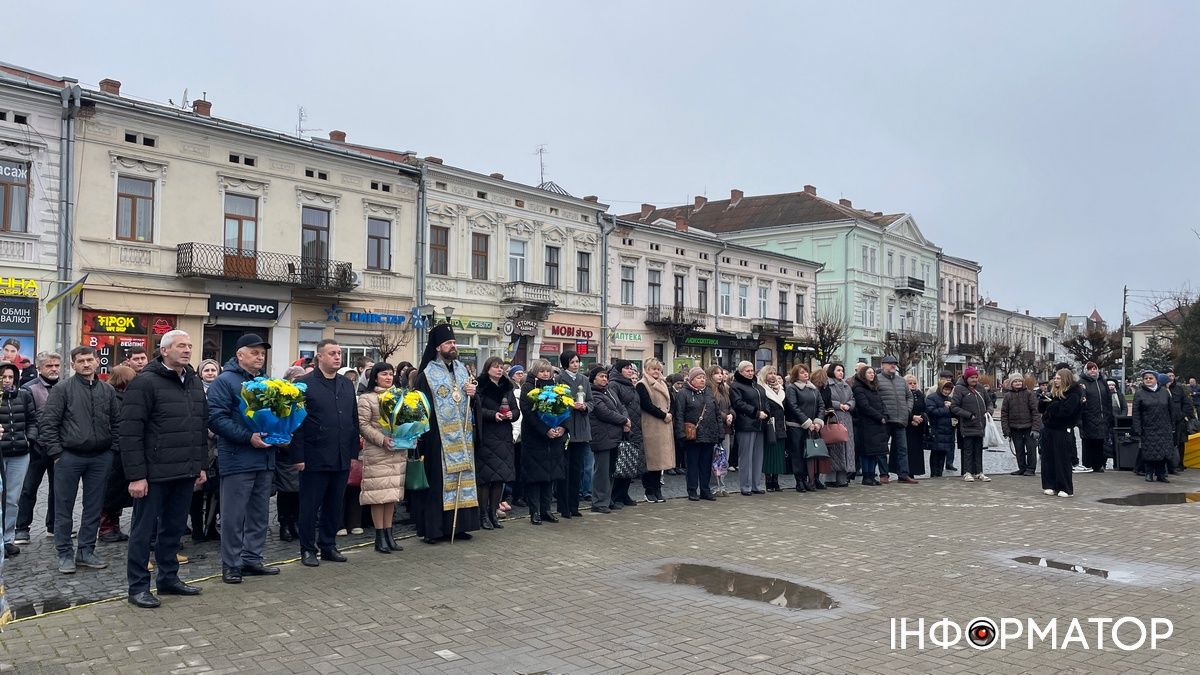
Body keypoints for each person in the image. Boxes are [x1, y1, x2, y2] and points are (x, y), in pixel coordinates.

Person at [121, 331, 209, 608]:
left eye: (190, 346)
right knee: (143, 532)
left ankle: (169, 579)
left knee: (173, 529)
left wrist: (200, 465)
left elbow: (199, 425)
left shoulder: (193, 381)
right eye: (181, 346)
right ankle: (138, 587)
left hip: (184, 470)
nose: (187, 350)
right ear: (164, 350)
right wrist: (136, 476)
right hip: (153, 473)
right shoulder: (145, 382)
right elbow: (130, 432)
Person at [207, 334, 280, 583]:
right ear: (240, 354)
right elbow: (216, 419)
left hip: (265, 456)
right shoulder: (224, 381)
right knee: (233, 516)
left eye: (262, 353)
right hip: (238, 458)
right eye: (254, 352)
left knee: (259, 514)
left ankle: (252, 558)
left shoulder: (267, 382)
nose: (260, 357)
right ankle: (231, 564)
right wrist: (248, 437)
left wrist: (282, 433)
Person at [41, 347, 119, 574]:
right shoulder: (62, 389)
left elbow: (117, 422)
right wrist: (57, 454)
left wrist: (112, 450)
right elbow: (48, 423)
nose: (86, 364)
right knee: (63, 507)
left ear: (97, 362)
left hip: (100, 457)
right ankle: (64, 553)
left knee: (94, 507)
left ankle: (86, 551)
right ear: (72, 365)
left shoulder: (107, 390)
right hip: (69, 456)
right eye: (81, 361)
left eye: (89, 359)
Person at [291, 339, 359, 564]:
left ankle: (328, 545)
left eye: (339, 353)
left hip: (341, 455)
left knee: (334, 504)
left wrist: (352, 453)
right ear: (319, 356)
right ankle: (307, 549)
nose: (338, 357)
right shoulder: (304, 384)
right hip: (314, 456)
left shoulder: (346, 384)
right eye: (332, 353)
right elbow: (296, 423)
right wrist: (298, 456)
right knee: (310, 506)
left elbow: (353, 419)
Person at [411, 325, 481, 543]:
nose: (453, 346)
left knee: (463, 478)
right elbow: (421, 408)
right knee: (437, 484)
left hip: (464, 437)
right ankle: (434, 530)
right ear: (438, 347)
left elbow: (470, 401)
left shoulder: (462, 370)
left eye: (454, 342)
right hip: (438, 440)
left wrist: (473, 394)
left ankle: (460, 526)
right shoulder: (427, 375)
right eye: (449, 343)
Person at [356, 362, 407, 553]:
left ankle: (389, 533)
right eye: (384, 374)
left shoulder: (399, 396)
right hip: (378, 451)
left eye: (391, 374)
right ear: (375, 377)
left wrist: (410, 434)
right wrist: (381, 439)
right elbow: (363, 425)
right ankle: (379, 536)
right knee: (378, 495)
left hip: (397, 450)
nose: (388, 377)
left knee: (391, 494)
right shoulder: (367, 398)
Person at [14, 352, 61, 545]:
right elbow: (27, 418)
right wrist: (31, 441)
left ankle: (54, 526)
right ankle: (21, 529)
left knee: (58, 489)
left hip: (59, 446)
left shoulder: (65, 386)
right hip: (37, 447)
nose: (54, 369)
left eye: (56, 365)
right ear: (39, 368)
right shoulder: (29, 388)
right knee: (28, 489)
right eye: (49, 366)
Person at [519, 360, 565, 524]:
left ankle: (546, 510)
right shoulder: (528, 387)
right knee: (535, 476)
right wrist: (545, 429)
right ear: (535, 372)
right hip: (535, 437)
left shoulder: (556, 387)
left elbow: (565, 409)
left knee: (550, 475)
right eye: (542, 371)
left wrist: (562, 427)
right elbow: (528, 412)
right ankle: (535, 511)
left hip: (554, 439)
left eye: (548, 371)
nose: (546, 374)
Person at [475, 357, 519, 529]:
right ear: (487, 369)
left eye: (501, 367)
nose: (499, 370)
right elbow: (477, 409)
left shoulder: (507, 387)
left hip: (504, 436)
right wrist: (492, 415)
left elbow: (515, 409)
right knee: (486, 478)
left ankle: (493, 513)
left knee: (500, 478)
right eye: (495, 367)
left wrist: (512, 415)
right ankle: (483, 515)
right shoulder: (480, 386)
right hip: (487, 435)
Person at [0, 362, 37, 557]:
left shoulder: (24, 395)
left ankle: (7, 539)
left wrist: (29, 439)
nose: (7, 381)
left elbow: (33, 421)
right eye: (3, 377)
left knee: (12, 499)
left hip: (20, 454)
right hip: (1, 453)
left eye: (10, 377)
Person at [98, 365, 137, 545]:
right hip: (114, 452)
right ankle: (106, 528)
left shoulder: (117, 396)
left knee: (116, 493)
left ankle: (112, 527)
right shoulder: (114, 398)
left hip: (118, 452)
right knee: (111, 493)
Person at [673, 367, 719, 501]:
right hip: (692, 435)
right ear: (692, 379)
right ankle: (692, 490)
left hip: (709, 435)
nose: (702, 380)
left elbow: (716, 413)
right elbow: (679, 414)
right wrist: (680, 433)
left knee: (706, 465)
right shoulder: (683, 393)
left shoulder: (709, 392)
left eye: (703, 377)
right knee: (692, 464)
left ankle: (705, 489)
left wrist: (719, 432)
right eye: (699, 378)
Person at [555, 351, 591, 518]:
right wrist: (570, 405)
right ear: (565, 364)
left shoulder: (584, 379)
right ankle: (564, 507)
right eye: (572, 362)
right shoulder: (559, 379)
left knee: (578, 469)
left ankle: (574, 506)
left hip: (581, 428)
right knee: (565, 469)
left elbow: (591, 401)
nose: (576, 365)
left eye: (577, 362)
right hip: (566, 426)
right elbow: (556, 402)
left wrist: (585, 407)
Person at [188, 359, 221, 542]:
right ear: (200, 373)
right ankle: (197, 528)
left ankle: (211, 527)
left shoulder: (222, 389)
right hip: (201, 445)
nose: (210, 373)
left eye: (213, 370)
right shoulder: (195, 390)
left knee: (215, 489)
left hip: (218, 447)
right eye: (206, 370)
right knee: (197, 490)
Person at [588, 365, 627, 513]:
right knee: (602, 471)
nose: (605, 379)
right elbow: (604, 413)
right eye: (601, 376)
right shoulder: (593, 394)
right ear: (594, 379)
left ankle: (607, 499)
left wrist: (625, 419)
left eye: (606, 376)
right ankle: (599, 502)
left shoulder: (609, 391)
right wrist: (624, 420)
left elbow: (621, 407)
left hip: (614, 436)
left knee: (611, 470)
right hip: (602, 437)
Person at [636, 358, 674, 503]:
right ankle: (649, 490)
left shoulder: (663, 383)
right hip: (651, 425)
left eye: (658, 369)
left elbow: (671, 402)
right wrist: (663, 415)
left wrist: (669, 414)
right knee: (651, 460)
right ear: (646, 370)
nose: (656, 372)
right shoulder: (642, 384)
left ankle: (657, 489)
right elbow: (646, 405)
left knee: (660, 461)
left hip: (663, 425)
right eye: (653, 369)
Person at [876, 355, 918, 484]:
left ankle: (903, 474)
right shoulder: (877, 380)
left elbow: (909, 397)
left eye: (894, 363)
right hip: (885, 420)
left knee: (902, 449)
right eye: (890, 363)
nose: (893, 365)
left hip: (900, 419)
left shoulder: (901, 380)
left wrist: (907, 410)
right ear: (883, 365)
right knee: (882, 449)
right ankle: (884, 474)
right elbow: (874, 398)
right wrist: (881, 413)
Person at [1040, 368, 1082, 498]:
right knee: (1048, 457)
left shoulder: (1073, 394)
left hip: (1062, 429)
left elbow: (1066, 412)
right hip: (1049, 428)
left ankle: (1065, 487)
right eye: (1055, 378)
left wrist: (1053, 405)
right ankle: (1050, 484)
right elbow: (1042, 410)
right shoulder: (1054, 393)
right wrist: (1043, 402)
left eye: (1058, 378)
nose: (1055, 380)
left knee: (1062, 458)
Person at [274, 365, 304, 543]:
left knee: (300, 491)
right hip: (285, 452)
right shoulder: (281, 398)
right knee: (286, 491)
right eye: (296, 379)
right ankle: (284, 523)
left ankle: (296, 522)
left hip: (302, 450)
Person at [606, 360, 642, 509]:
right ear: (619, 370)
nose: (630, 371)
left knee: (630, 461)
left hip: (635, 426)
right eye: (626, 368)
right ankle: (615, 495)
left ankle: (624, 493)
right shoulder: (614, 384)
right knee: (620, 462)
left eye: (631, 368)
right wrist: (624, 422)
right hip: (622, 426)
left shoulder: (629, 384)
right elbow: (616, 405)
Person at [729, 360, 768, 496]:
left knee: (758, 457)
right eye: (747, 371)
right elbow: (738, 403)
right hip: (746, 424)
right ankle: (746, 486)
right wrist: (756, 413)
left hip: (759, 424)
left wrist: (766, 412)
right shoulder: (736, 386)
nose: (751, 373)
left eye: (752, 370)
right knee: (746, 457)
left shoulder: (757, 386)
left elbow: (765, 400)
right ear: (740, 372)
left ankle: (756, 485)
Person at [785, 364, 826, 490]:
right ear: (796, 375)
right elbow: (793, 406)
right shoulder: (792, 388)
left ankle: (811, 479)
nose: (806, 374)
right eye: (802, 372)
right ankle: (800, 481)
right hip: (797, 426)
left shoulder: (813, 389)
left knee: (811, 453)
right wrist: (807, 422)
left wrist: (818, 422)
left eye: (806, 372)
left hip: (813, 427)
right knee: (797, 453)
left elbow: (821, 405)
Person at [1132, 370, 1175, 483]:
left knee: (1163, 452)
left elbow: (1171, 410)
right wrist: (1137, 428)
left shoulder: (1164, 392)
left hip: (1164, 427)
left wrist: (1172, 425)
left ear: (1156, 379)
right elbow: (1136, 413)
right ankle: (1149, 473)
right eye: (1146, 378)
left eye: (1150, 378)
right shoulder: (1140, 393)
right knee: (1149, 452)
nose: (1148, 380)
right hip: (1148, 428)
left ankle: (1161, 474)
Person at [950, 367, 990, 482]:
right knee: (967, 450)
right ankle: (967, 472)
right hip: (967, 425)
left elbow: (989, 403)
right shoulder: (959, 389)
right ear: (966, 378)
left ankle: (979, 472)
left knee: (978, 449)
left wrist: (989, 412)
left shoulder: (980, 388)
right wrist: (968, 415)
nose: (974, 380)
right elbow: (954, 407)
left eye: (976, 377)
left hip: (980, 425)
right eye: (972, 377)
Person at [820, 364, 855, 489]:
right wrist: (838, 405)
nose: (841, 373)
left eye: (842, 370)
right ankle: (830, 478)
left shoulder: (846, 385)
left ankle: (842, 478)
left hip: (846, 418)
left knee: (846, 448)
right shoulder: (827, 384)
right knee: (834, 447)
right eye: (838, 370)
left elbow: (852, 399)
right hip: (833, 417)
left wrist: (849, 405)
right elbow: (825, 399)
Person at [851, 366, 888, 485]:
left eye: (873, 373)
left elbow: (881, 403)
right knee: (866, 452)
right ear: (863, 374)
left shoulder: (874, 388)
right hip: (866, 424)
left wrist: (885, 415)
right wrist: (879, 417)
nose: (872, 375)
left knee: (874, 452)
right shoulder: (858, 388)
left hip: (877, 424)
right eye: (869, 373)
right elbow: (864, 406)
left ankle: (872, 475)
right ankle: (866, 476)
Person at [1001, 375, 1041, 477]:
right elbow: (1004, 413)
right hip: (1015, 427)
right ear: (1011, 384)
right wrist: (1006, 429)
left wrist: (1036, 428)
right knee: (1019, 449)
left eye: (1019, 381)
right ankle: (1022, 468)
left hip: (1029, 427)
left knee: (1031, 449)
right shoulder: (1008, 396)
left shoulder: (1029, 394)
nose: (1018, 383)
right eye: (1015, 381)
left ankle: (1031, 469)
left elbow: (1035, 412)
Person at [1077, 362, 1113, 473]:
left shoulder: (1102, 382)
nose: (1093, 371)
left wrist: (1109, 414)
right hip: (1088, 418)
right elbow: (1080, 400)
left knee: (1100, 442)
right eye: (1090, 369)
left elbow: (1108, 399)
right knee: (1088, 442)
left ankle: (1098, 464)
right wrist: (1080, 419)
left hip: (1102, 417)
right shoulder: (1082, 383)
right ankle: (1088, 464)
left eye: (1094, 368)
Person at [757, 366, 788, 492]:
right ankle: (768, 481)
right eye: (770, 373)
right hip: (770, 424)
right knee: (769, 454)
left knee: (779, 454)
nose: (773, 375)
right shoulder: (761, 389)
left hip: (781, 425)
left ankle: (776, 480)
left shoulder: (781, 389)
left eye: (774, 373)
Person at [1165, 369, 1197, 473]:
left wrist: (1182, 415)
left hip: (1179, 421)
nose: (1171, 378)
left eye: (1172, 376)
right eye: (1168, 376)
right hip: (1166, 421)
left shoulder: (1179, 388)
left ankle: (1179, 464)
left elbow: (1187, 404)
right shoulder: (1161, 389)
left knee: (1180, 443)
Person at [925, 380, 956, 478]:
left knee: (943, 452)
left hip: (947, 430)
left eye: (949, 390)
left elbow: (955, 413)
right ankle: (934, 474)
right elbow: (931, 411)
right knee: (935, 452)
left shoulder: (950, 399)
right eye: (945, 389)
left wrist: (952, 408)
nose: (947, 392)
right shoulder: (932, 398)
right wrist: (945, 408)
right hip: (936, 429)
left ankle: (940, 473)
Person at [904, 374, 928, 479]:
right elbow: (902, 410)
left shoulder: (920, 394)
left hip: (918, 426)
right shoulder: (903, 394)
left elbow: (925, 409)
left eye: (914, 383)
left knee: (916, 451)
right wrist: (911, 419)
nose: (913, 385)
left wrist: (921, 418)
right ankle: (906, 472)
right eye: (910, 383)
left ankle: (914, 471)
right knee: (907, 450)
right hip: (907, 426)